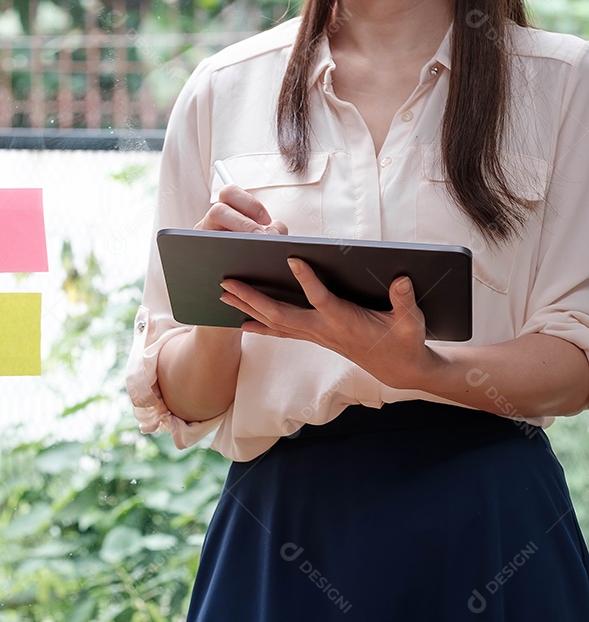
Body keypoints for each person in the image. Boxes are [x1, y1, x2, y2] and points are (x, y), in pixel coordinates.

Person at [125, 0, 589, 619]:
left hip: (491, 517)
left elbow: (576, 360)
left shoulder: (564, 81)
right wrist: (221, 294)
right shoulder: (223, 87)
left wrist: (421, 368)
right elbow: (186, 402)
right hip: (283, 522)